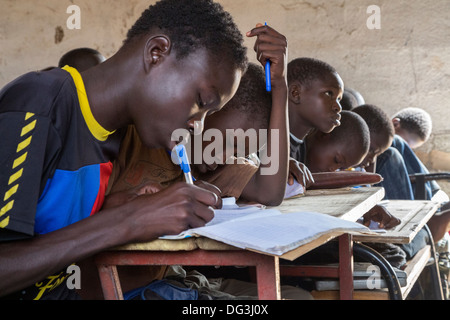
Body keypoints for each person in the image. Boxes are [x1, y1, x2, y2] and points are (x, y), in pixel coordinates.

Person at [0, 0, 248, 300]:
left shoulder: (118, 134)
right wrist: (129, 219)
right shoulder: (38, 105)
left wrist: (123, 205)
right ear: (157, 53)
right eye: (200, 102)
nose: (197, 125)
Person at [302, 110, 370, 173]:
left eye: (341, 168)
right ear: (323, 134)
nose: (332, 170)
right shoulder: (293, 154)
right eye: (336, 160)